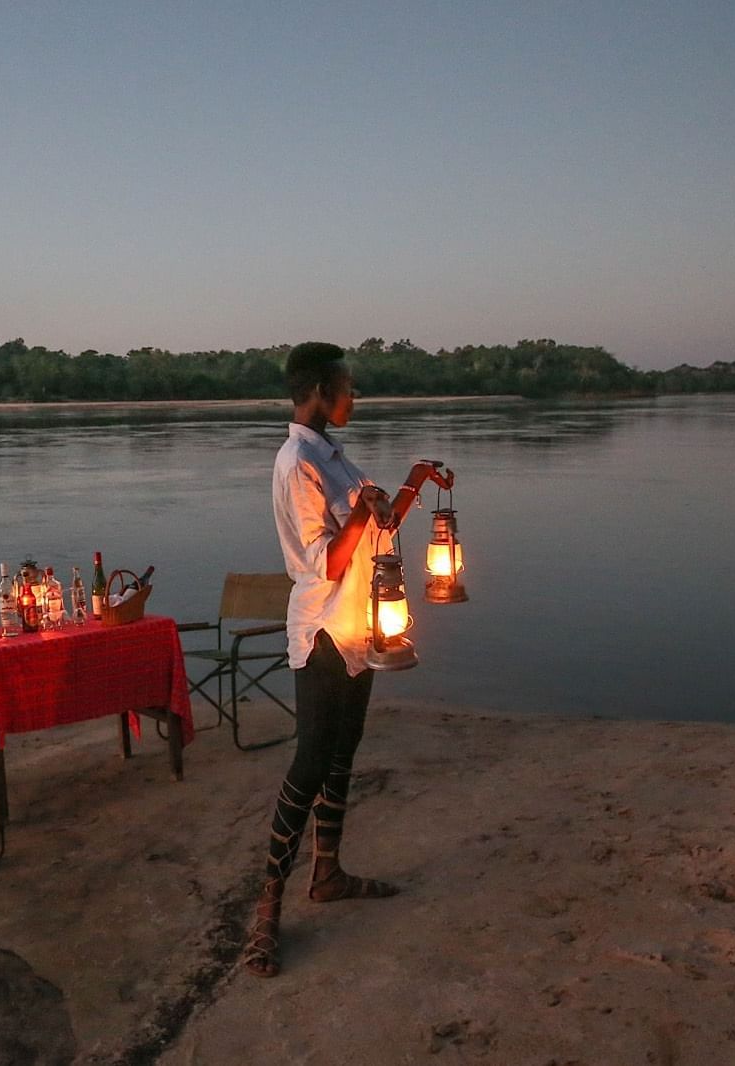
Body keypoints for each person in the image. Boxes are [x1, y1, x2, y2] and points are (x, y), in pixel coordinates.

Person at [241, 341, 452, 979]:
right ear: (318, 390)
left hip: (360, 631)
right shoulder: (296, 464)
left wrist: (412, 482)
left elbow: (377, 530)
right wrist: (361, 511)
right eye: (347, 387)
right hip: (323, 633)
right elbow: (326, 563)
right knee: (309, 762)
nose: (354, 397)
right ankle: (267, 909)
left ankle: (327, 873)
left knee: (343, 753)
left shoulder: (335, 459)